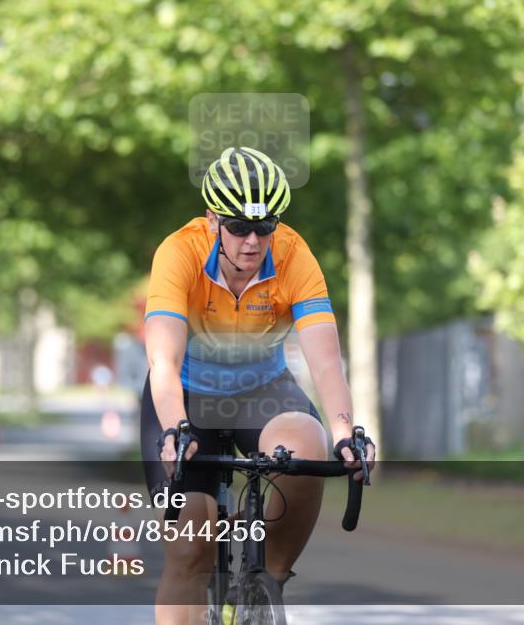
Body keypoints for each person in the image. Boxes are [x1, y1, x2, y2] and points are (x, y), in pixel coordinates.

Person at [140, 146, 376, 624]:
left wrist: (345, 431)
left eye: (264, 228)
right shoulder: (179, 252)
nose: (252, 240)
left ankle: (268, 583)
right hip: (184, 395)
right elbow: (162, 361)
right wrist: (175, 428)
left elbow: (326, 361)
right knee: (191, 541)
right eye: (239, 228)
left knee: (308, 447)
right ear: (212, 220)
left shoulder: (293, 255)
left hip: (262, 389)